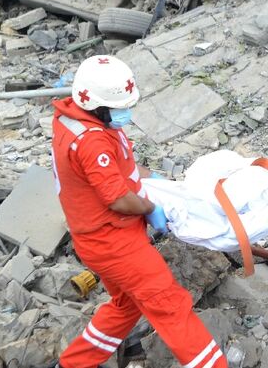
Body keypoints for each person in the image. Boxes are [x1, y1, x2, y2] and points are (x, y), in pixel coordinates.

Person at [49, 55, 227, 368]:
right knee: (169, 304)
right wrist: (151, 207)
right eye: (119, 107)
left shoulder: (80, 120)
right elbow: (117, 198)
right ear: (98, 105)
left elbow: (115, 168)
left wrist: (149, 177)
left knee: (126, 305)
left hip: (98, 238)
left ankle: (74, 364)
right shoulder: (91, 141)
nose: (125, 113)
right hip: (113, 241)